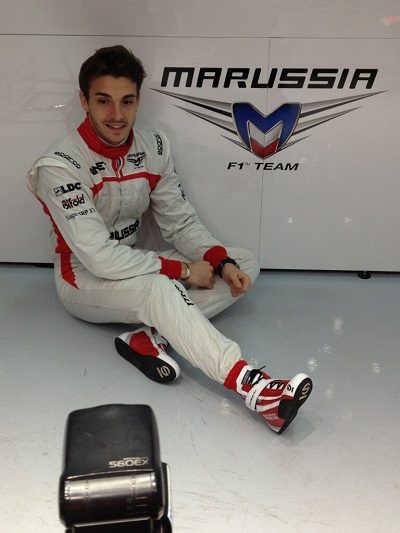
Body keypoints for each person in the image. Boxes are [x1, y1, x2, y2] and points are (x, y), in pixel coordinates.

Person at [27, 45, 312, 434]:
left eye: (127, 101)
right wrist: (182, 271)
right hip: (82, 279)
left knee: (242, 262)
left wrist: (220, 263)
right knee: (160, 288)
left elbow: (179, 223)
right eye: (103, 101)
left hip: (134, 266)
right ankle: (256, 390)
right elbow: (99, 258)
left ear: (138, 101)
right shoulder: (59, 165)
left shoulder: (153, 147)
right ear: (84, 101)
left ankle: (147, 337)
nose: (116, 114)